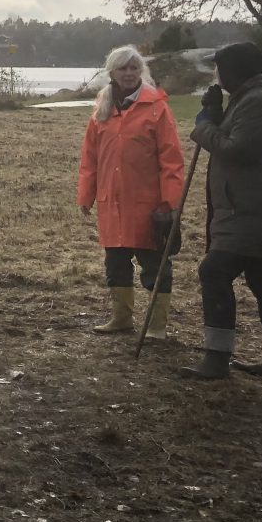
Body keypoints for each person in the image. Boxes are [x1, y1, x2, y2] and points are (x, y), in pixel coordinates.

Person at [180, 41, 262, 383]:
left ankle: (217, 359)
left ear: (235, 71)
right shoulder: (248, 100)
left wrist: (204, 125)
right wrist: (217, 116)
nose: (216, 74)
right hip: (253, 212)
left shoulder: (259, 103)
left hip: (254, 215)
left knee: (214, 272)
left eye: (219, 68)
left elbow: (237, 151)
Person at [76, 45, 186, 340]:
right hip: (111, 202)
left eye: (133, 68)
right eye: (123, 68)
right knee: (115, 262)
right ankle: (121, 318)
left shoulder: (157, 107)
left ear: (141, 72)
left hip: (150, 205)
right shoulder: (102, 106)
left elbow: (171, 160)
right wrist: (86, 195)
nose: (128, 73)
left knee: (154, 265)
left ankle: (156, 325)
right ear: (112, 72)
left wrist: (169, 202)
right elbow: (91, 157)